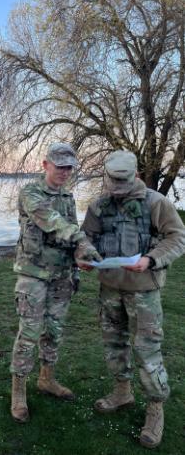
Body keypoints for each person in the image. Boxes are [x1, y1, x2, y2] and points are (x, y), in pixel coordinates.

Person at [80, 150, 185, 449]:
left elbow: (178, 237)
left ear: (135, 175)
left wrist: (151, 259)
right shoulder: (99, 205)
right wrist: (85, 256)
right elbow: (86, 237)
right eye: (113, 184)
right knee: (114, 345)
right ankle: (122, 392)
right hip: (110, 288)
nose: (117, 190)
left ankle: (155, 407)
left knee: (147, 350)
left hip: (144, 292)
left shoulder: (156, 202)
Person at [10, 142, 101, 423]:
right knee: (29, 333)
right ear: (45, 164)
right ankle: (18, 391)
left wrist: (79, 261)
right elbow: (53, 222)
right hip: (34, 275)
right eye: (59, 166)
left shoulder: (68, 197)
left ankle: (46, 379)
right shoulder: (31, 194)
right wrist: (82, 240)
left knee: (54, 331)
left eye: (69, 167)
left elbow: (69, 234)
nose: (64, 171)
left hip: (61, 276)